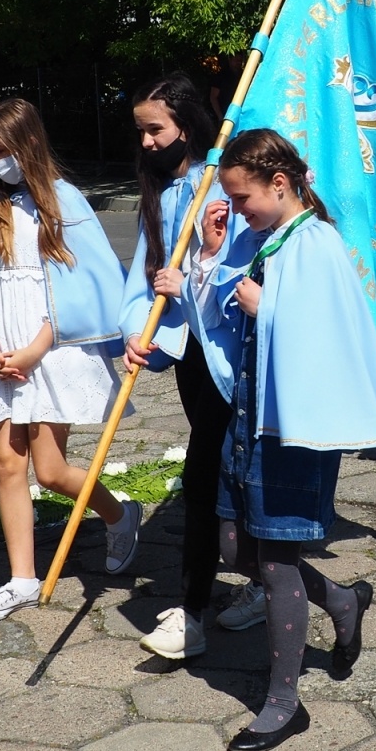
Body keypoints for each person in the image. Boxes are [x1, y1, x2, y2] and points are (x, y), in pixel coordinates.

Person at [185, 129, 376, 751]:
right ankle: (341, 599)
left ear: (280, 184)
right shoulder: (263, 239)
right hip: (247, 420)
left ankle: (283, 703)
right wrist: (209, 261)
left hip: (294, 430)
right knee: (234, 543)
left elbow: (335, 334)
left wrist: (267, 306)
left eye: (243, 196)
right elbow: (223, 321)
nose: (239, 209)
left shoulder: (318, 242)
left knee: (275, 560)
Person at [0, 98, 140, 622]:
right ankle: (20, 579)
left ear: (28, 146)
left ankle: (120, 515)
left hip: (49, 353)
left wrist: (37, 348)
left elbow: (82, 286)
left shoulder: (64, 202)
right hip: (6, 354)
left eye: (4, 151)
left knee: (52, 471)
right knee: (7, 463)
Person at [118, 75, 261, 659]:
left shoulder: (218, 185)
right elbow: (140, 274)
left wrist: (196, 274)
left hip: (234, 358)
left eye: (157, 129)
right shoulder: (158, 194)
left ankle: (194, 613)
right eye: (142, 132)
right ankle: (264, 583)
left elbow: (238, 275)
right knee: (218, 474)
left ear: (186, 125)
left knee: (206, 479)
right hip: (190, 359)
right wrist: (135, 332)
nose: (148, 141)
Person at [209, 53, 245, 119]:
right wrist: (220, 116)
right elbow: (213, 97)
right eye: (236, 60)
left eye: (240, 60)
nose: (238, 63)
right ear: (230, 60)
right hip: (224, 114)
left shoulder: (244, 75)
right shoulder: (221, 76)